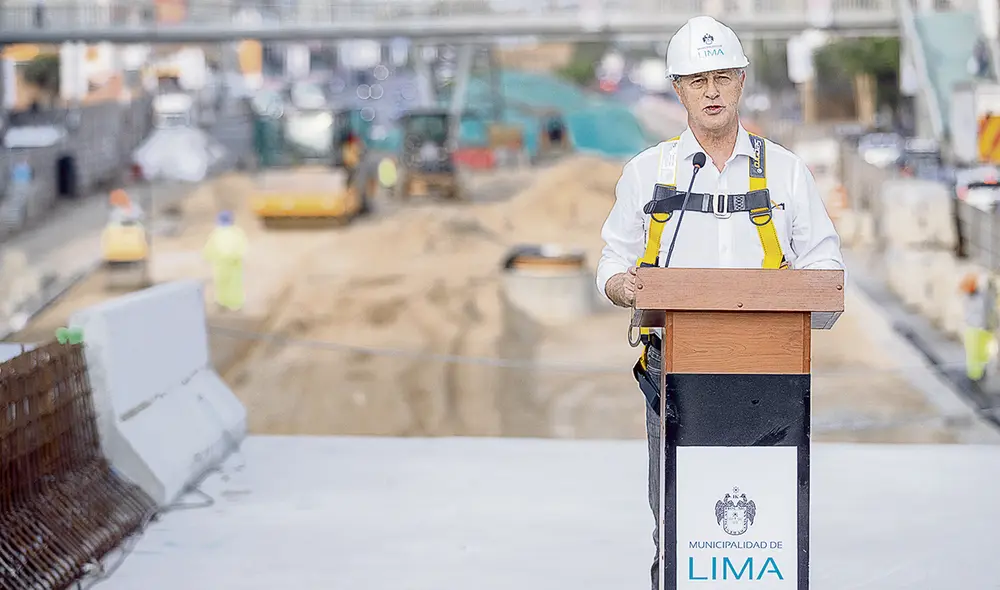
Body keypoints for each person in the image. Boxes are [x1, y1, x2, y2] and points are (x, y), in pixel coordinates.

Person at [594, 16, 845, 589]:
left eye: (723, 78)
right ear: (678, 88)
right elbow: (612, 263)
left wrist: (799, 292)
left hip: (770, 379)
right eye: (697, 80)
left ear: (741, 82)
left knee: (769, 532)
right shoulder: (647, 174)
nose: (711, 91)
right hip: (675, 379)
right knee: (679, 529)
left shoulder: (785, 173)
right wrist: (627, 288)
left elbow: (826, 269)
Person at [203, 210, 248, 312]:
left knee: (221, 283)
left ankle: (222, 302)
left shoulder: (216, 233)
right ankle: (235, 303)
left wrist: (207, 257)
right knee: (234, 283)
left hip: (221, 263)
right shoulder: (237, 232)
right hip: (234, 262)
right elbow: (242, 246)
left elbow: (210, 247)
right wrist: (239, 256)